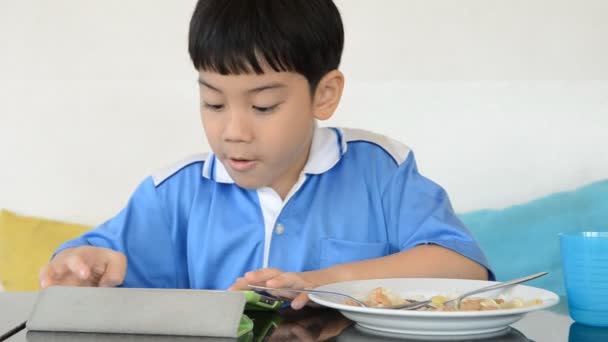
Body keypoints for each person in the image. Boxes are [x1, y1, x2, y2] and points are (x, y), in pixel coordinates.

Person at [39, 0, 492, 310]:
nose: (233, 131)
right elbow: (90, 263)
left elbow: (465, 270)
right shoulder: (174, 193)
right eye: (213, 103)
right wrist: (80, 269)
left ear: (325, 94)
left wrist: (323, 280)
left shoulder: (381, 171)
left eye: (263, 106)